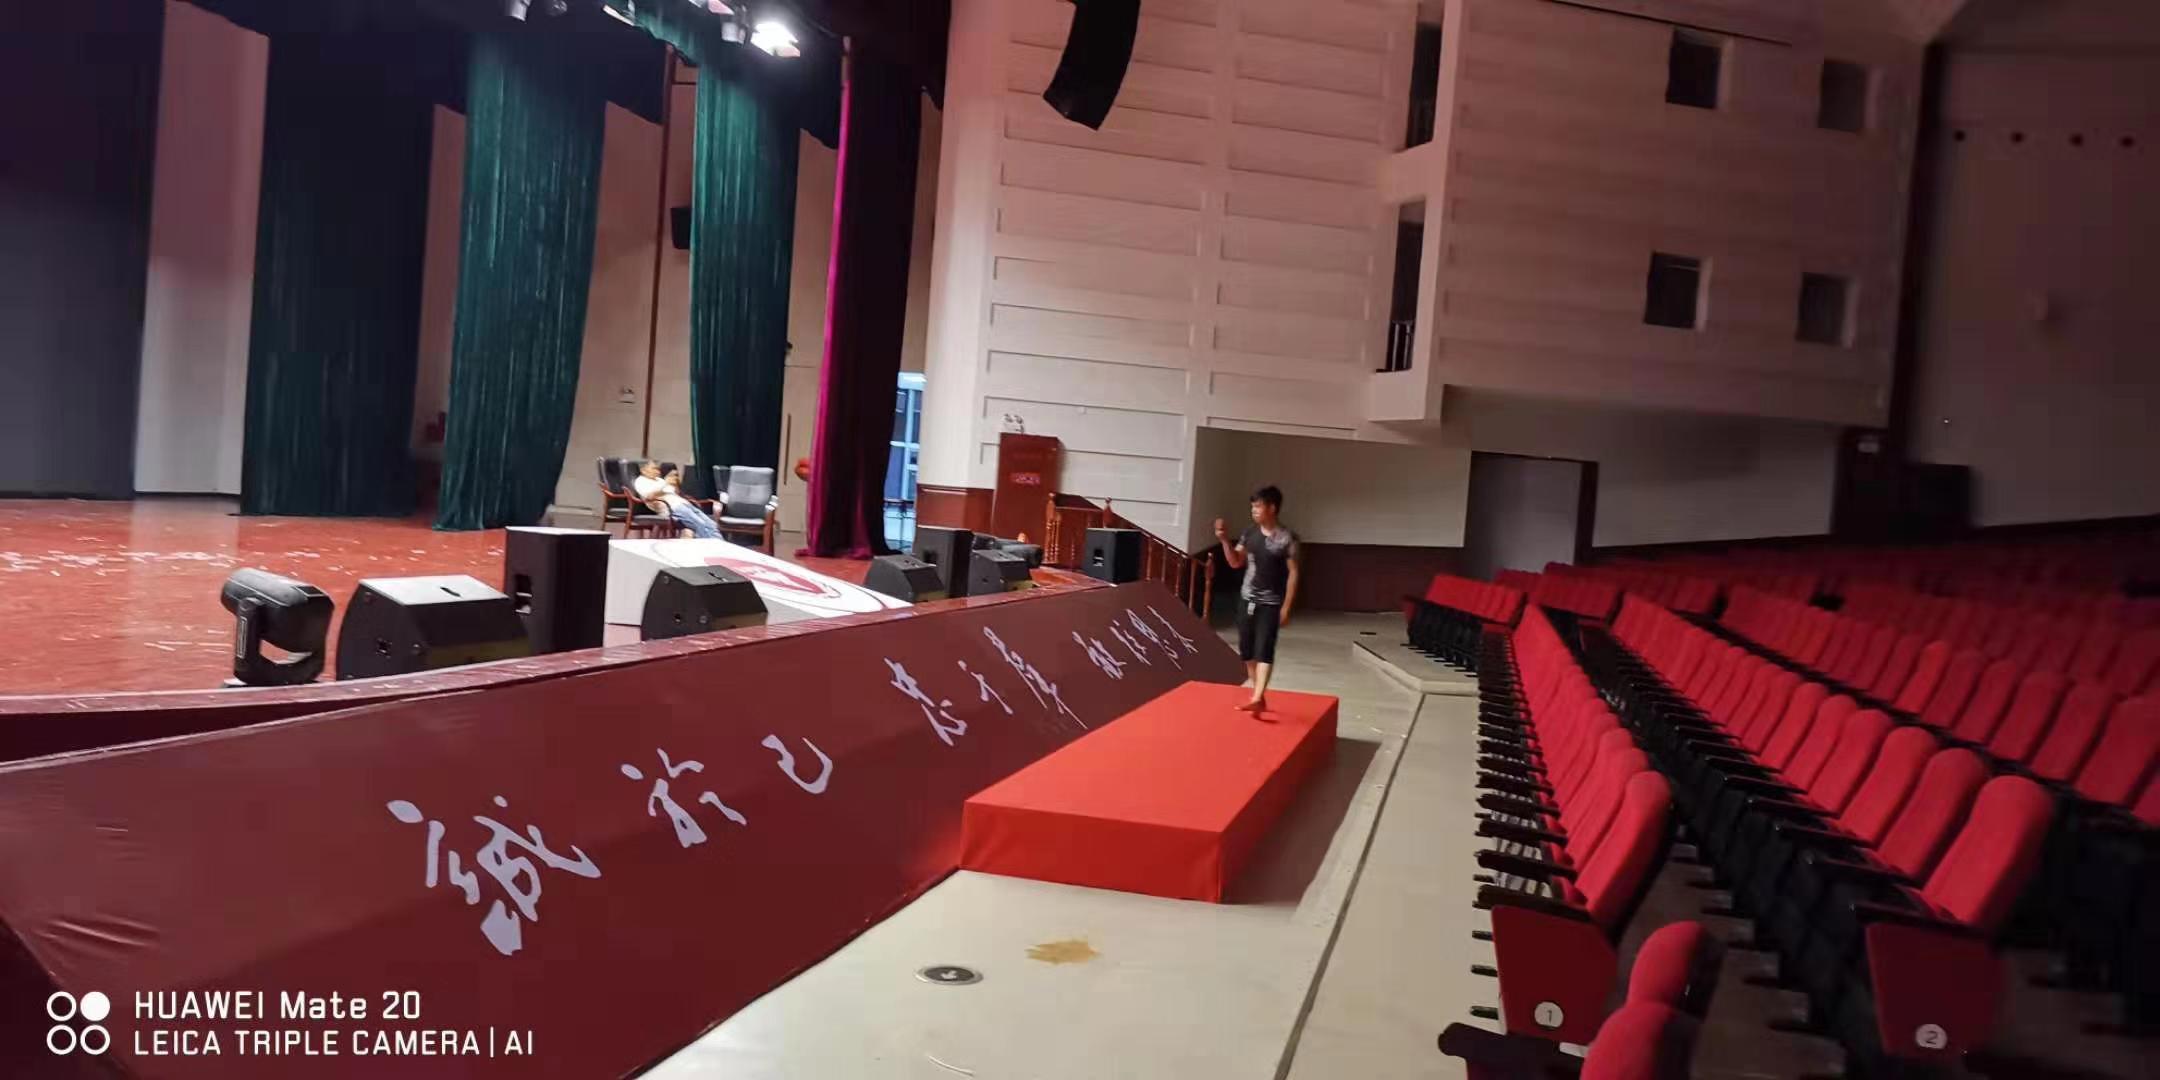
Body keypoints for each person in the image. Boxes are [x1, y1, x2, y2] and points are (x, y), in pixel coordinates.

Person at [1213, 485, 1299, 713]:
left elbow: (1293, 573)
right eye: (1252, 507)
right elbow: (1235, 562)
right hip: (1247, 599)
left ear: (1272, 508)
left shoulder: (1287, 538)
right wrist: (1224, 540)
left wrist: (1286, 607)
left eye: (1258, 506)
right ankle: (1258, 696)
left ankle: (1258, 695)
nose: (1254, 511)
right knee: (1247, 651)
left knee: (1264, 649)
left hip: (1271, 603)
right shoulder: (1249, 533)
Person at [632, 461, 722, 540]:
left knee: (710, 523)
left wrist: (676, 484)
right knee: (700, 524)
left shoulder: (659, 480)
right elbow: (649, 496)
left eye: (657, 469)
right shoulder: (641, 481)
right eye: (653, 468)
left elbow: (674, 493)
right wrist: (666, 483)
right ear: (643, 470)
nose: (657, 471)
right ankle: (714, 545)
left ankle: (720, 544)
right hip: (673, 508)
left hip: (684, 504)